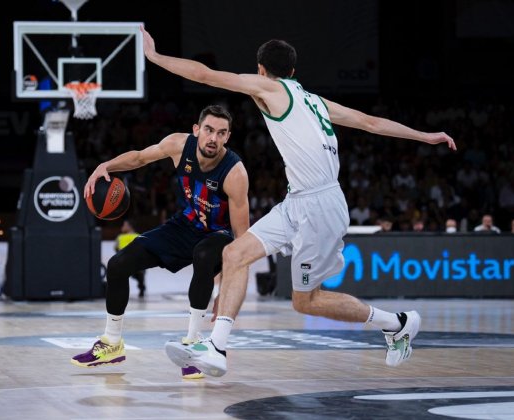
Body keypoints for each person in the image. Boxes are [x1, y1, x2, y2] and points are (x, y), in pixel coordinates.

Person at [141, 27, 457, 377]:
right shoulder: (315, 101)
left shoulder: (268, 88)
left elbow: (204, 75)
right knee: (234, 254)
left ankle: (396, 323)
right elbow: (370, 122)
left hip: (320, 206)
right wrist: (423, 135)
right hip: (298, 201)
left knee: (306, 300)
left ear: (261, 69)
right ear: (293, 71)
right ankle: (216, 347)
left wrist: (155, 57)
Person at [70, 105, 250, 379]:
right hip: (185, 225)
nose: (214, 138)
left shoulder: (235, 173)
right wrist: (104, 166)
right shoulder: (179, 145)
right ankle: (111, 343)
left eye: (221, 133)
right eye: (209, 130)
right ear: (196, 130)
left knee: (203, 254)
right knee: (118, 264)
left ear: (228, 137)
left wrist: (226, 292)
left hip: (219, 236)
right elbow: (140, 158)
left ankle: (193, 345)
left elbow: (242, 242)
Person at [114, 219, 146, 297]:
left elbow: (116, 248)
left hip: (131, 262)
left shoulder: (122, 237)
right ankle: (141, 286)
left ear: (129, 226)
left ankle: (141, 286)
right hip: (129, 262)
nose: (122, 227)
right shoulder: (137, 236)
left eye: (124, 225)